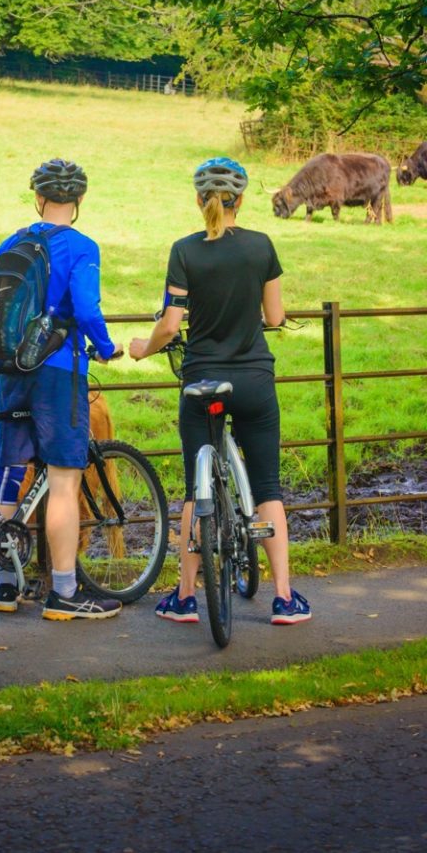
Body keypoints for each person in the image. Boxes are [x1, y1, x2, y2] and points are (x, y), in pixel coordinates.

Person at [129, 156, 311, 626]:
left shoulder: (184, 251)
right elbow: (274, 318)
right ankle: (285, 599)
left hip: (201, 381)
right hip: (252, 380)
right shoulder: (261, 246)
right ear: (241, 199)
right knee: (268, 486)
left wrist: (142, 349)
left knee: (195, 488)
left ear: (198, 200)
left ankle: (187, 597)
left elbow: (170, 325)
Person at [0, 158, 124, 621]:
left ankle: (5, 585)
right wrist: (104, 347)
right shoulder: (82, 247)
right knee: (64, 481)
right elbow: (86, 307)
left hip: (11, 368)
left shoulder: (12, 242)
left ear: (38, 197)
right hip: (58, 372)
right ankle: (64, 593)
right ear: (79, 201)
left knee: (7, 470)